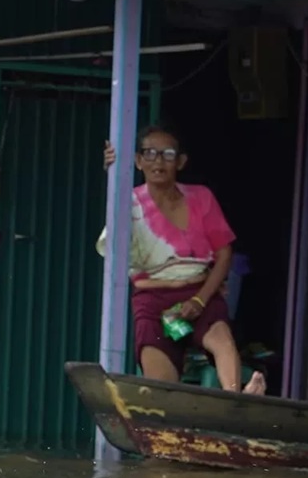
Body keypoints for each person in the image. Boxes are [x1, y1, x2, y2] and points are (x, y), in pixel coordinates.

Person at [98, 127, 264, 394]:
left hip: (200, 291)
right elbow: (115, 244)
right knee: (160, 387)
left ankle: (236, 399)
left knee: (222, 341)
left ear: (181, 162)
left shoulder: (201, 197)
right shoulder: (129, 203)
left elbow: (224, 254)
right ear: (138, 161)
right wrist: (113, 174)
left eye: (168, 154)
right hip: (152, 300)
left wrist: (199, 300)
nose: (158, 162)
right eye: (150, 154)